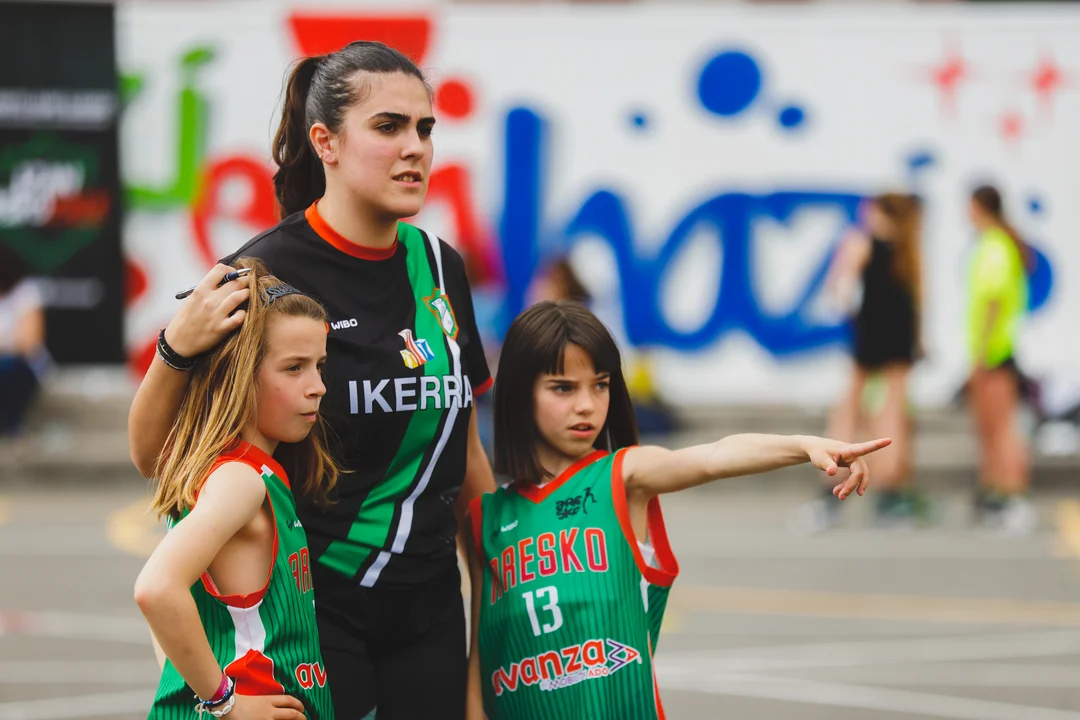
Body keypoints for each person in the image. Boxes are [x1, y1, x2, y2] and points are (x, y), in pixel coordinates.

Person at [128, 41, 496, 719]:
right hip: (316, 610)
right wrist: (174, 350)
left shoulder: (442, 267)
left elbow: (465, 452)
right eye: (388, 127)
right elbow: (158, 457)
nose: (414, 148)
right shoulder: (262, 276)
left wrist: (490, 623)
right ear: (325, 142)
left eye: (424, 129)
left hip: (431, 609)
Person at [464, 301, 890, 719]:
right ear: (520, 394)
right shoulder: (489, 518)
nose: (587, 405)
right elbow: (481, 664)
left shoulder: (622, 478)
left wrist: (804, 445)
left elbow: (714, 456)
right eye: (563, 388)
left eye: (600, 385)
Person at [135, 260, 336, 719]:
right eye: (294, 368)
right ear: (239, 373)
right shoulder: (239, 481)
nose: (318, 387)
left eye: (320, 366)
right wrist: (224, 702)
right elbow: (156, 589)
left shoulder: (226, 471)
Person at [792, 193, 927, 532]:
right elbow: (917, 301)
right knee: (892, 412)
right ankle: (889, 490)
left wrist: (853, 314)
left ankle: (830, 485)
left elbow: (839, 290)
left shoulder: (860, 242)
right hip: (899, 336)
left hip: (869, 333)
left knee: (849, 410)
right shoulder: (907, 248)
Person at [966, 185, 1034, 534]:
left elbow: (992, 302)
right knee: (992, 428)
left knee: (1003, 429)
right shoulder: (997, 244)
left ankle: (1014, 495)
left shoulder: (994, 246)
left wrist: (980, 355)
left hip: (994, 352)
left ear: (979, 208)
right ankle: (997, 493)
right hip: (994, 350)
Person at [0, 244, 47, 436]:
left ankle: (11, 424)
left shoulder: (25, 292)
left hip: (22, 369)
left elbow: (29, 343)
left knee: (7, 366)